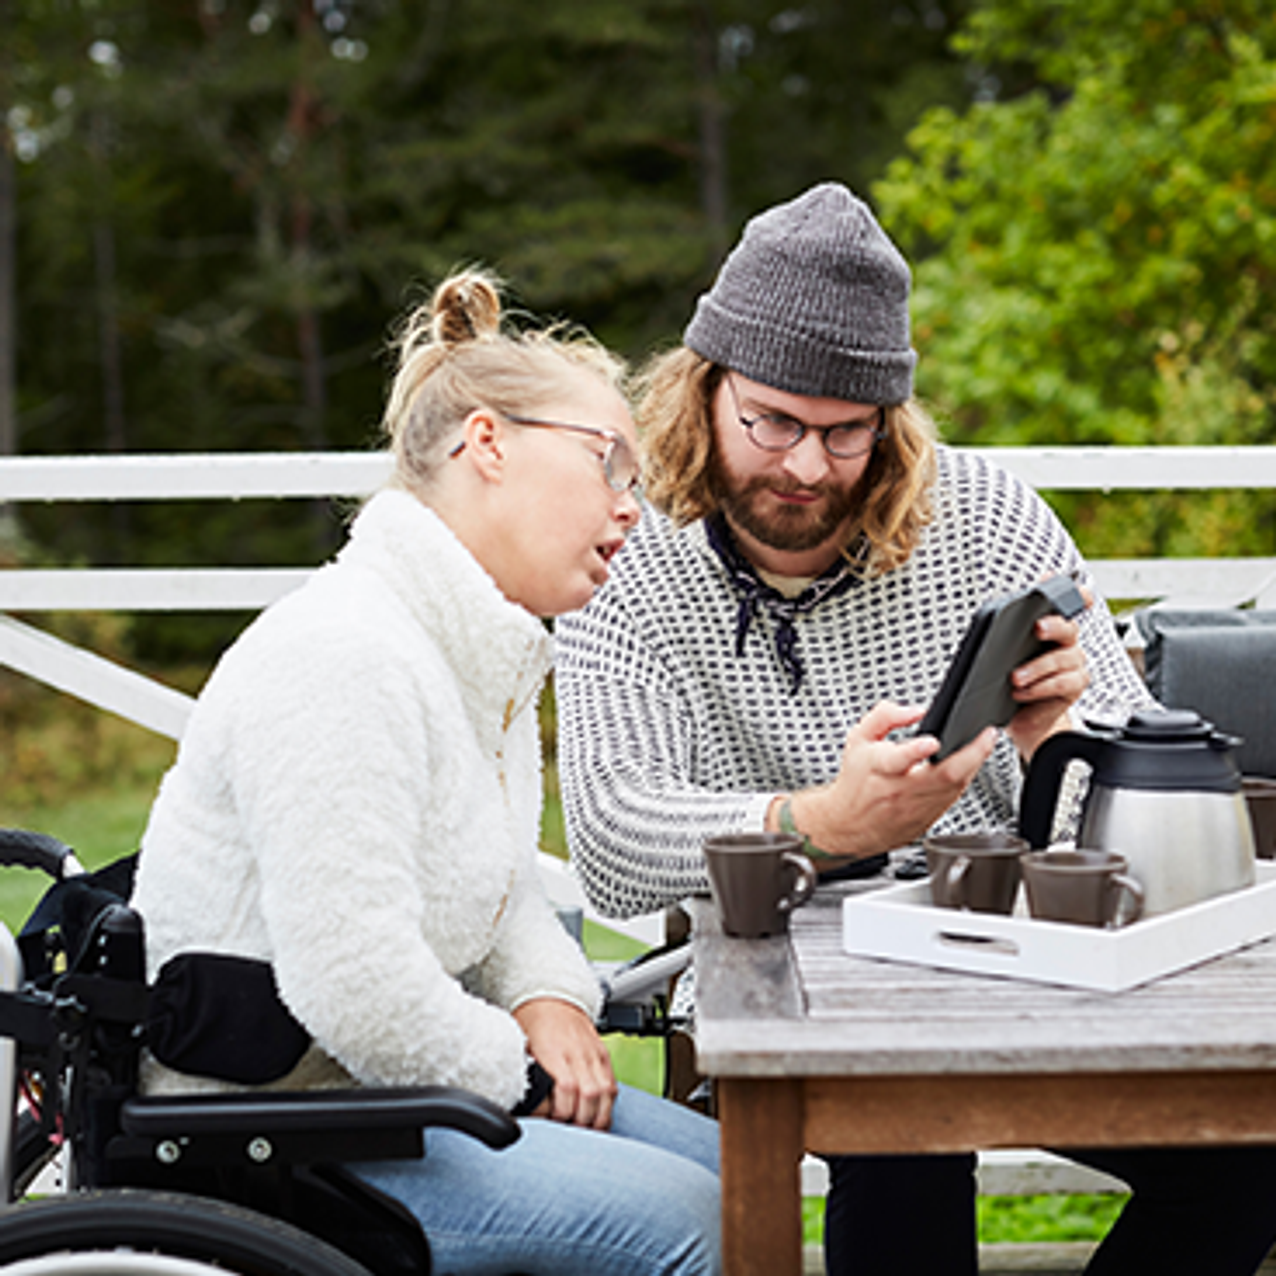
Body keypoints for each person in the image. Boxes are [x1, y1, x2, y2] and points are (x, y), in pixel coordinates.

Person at [554, 184, 1276, 1275]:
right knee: (900, 1153)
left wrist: (1056, 739)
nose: (805, 466)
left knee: (1248, 1157)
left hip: (1012, 959)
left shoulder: (987, 517)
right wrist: (815, 820)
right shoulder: (631, 549)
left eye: (845, 433)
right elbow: (611, 842)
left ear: (888, 421)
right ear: (702, 389)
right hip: (785, 976)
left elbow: (1134, 828)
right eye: (772, 421)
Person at [130, 269, 721, 1276]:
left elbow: (494, 884)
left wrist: (547, 995)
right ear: (486, 444)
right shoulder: (344, 655)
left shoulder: (465, 649)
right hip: (269, 1133)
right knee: (698, 1217)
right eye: (610, 465)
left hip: (369, 1100)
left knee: (734, 1164)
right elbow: (355, 982)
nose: (636, 507)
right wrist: (523, 1071)